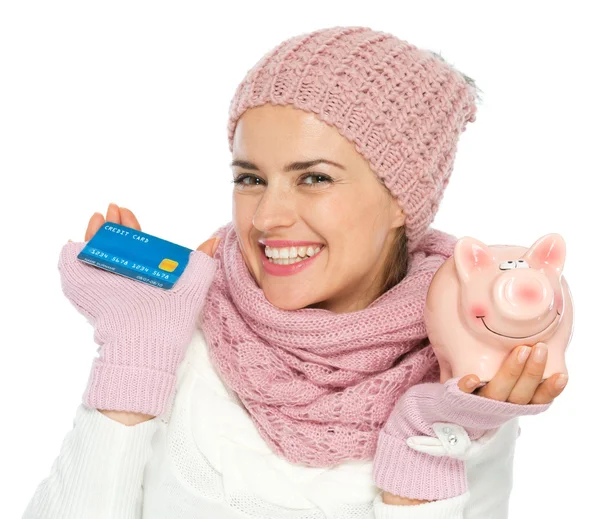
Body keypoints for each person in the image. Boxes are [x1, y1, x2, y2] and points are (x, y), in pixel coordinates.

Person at [23, 26, 567, 519]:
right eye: (250, 178)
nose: (265, 218)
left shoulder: (463, 389)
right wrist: (135, 351)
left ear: (403, 198)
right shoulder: (177, 330)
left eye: (313, 179)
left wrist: (423, 459)